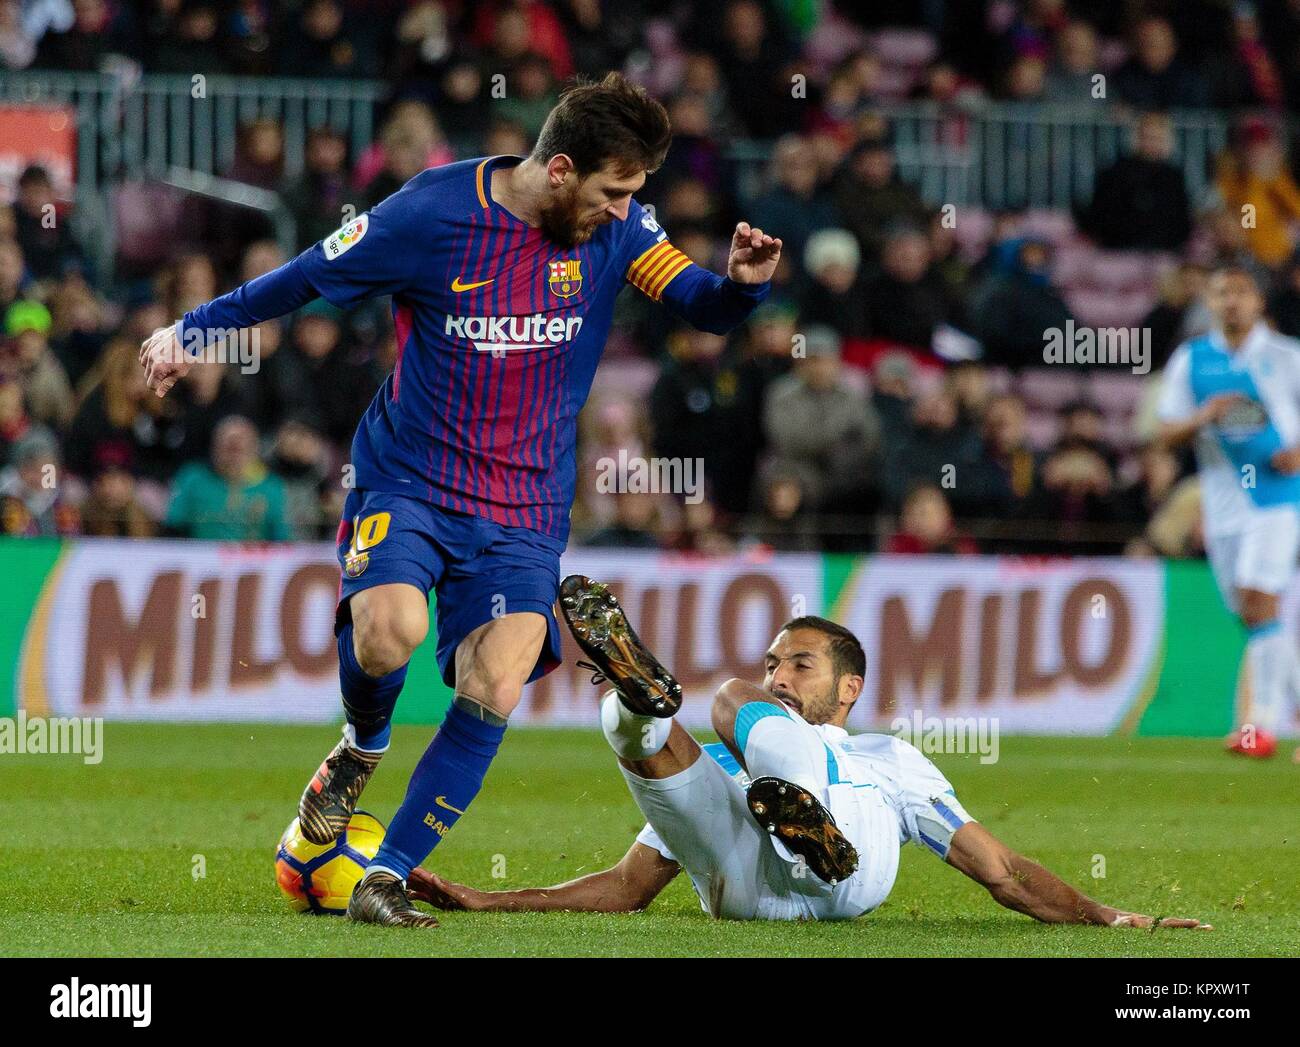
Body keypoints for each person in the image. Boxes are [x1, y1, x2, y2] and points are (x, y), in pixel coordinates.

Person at [139, 73, 780, 927]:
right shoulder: (428, 217)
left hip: (523, 506)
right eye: (613, 191)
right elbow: (301, 278)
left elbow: (701, 304)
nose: (626, 211)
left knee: (502, 671)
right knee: (388, 633)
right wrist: (194, 329)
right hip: (409, 479)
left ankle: (386, 873)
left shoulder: (621, 230)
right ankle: (362, 745)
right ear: (559, 170)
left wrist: (742, 285)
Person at [407, 577, 1210, 931]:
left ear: (850, 687)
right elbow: (626, 887)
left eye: (800, 665)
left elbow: (1000, 870)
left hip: (849, 868)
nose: (778, 677)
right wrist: (490, 900)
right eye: (772, 664)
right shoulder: (738, 756)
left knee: (722, 701)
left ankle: (811, 831)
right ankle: (636, 701)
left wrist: (1103, 913)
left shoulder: (887, 758)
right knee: (636, 728)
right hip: (743, 882)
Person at [1157, 265, 1300, 760]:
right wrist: (1205, 415)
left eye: (1241, 292)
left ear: (1259, 302)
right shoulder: (1191, 360)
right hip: (1223, 507)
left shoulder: (1287, 358)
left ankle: (1259, 726)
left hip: (1277, 498)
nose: (1232, 301)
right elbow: (1164, 431)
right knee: (1252, 613)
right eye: (1222, 293)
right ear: (1210, 302)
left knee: (1261, 601)